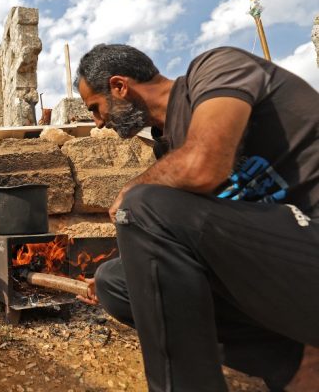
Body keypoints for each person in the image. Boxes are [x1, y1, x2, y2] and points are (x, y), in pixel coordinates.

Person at [75, 44, 319, 391]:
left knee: (142, 204)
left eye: (95, 108)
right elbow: (178, 238)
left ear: (119, 86)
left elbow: (205, 164)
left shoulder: (217, 70)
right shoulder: (168, 149)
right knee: (115, 282)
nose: (98, 123)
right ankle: (296, 365)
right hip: (280, 274)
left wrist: (133, 189)